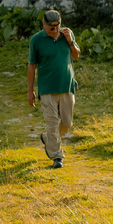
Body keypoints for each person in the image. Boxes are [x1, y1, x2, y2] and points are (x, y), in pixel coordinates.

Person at [27, 10, 80, 169]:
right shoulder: (36, 40)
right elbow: (31, 66)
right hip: (47, 89)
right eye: (52, 28)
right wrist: (30, 91)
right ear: (44, 25)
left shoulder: (67, 35)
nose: (55, 30)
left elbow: (76, 56)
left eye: (58, 27)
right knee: (52, 123)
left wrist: (70, 41)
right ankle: (57, 156)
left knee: (67, 123)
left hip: (66, 86)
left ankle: (47, 138)